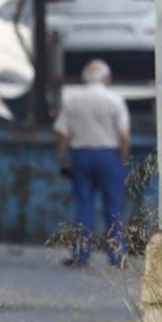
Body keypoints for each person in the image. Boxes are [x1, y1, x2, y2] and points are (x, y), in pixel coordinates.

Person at [54, 59, 132, 267]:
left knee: (83, 205)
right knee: (113, 206)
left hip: (81, 155)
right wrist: (123, 158)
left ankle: (82, 254)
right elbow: (124, 136)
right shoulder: (114, 100)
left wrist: (62, 157)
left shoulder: (72, 100)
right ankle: (117, 256)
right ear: (106, 78)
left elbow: (62, 133)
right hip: (109, 155)